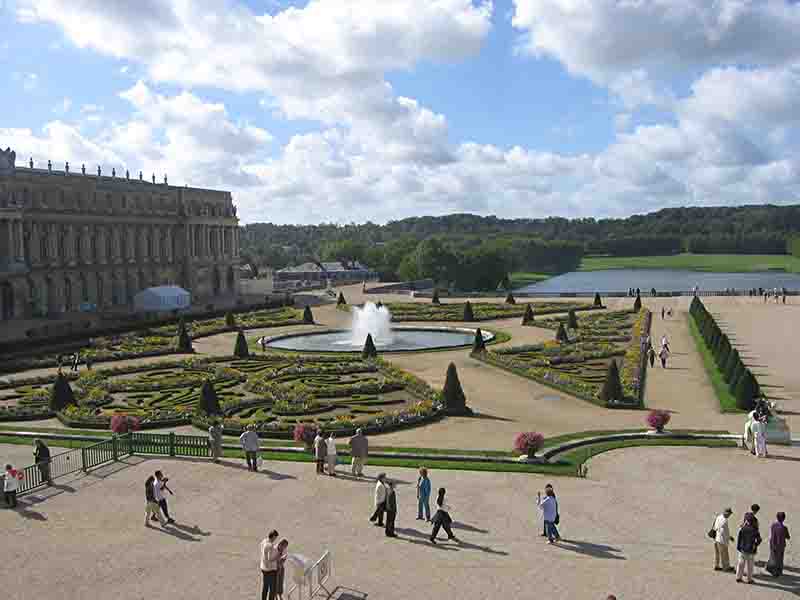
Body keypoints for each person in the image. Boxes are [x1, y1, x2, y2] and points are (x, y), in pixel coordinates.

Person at [736, 512, 762, 584]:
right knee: (750, 566)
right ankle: (749, 579)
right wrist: (755, 545)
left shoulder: (742, 528)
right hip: (751, 550)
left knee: (740, 564)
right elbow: (759, 540)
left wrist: (738, 547)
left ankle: (738, 577)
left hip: (742, 549)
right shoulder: (755, 530)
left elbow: (739, 539)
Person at [766, 512, 790, 577]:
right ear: (784, 519)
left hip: (773, 543)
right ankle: (777, 572)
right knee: (779, 559)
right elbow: (788, 537)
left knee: (772, 556)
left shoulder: (773, 525)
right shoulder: (784, 528)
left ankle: (770, 568)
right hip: (780, 545)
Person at [260, 530, 280, 600]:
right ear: (273, 536)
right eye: (275, 537)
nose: (275, 539)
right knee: (272, 588)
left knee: (265, 587)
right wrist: (277, 555)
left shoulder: (264, 541)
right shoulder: (270, 545)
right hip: (270, 570)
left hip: (263, 567)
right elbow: (270, 559)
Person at [712, 508, 735, 572]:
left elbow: (715, 527)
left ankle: (716, 566)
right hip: (722, 540)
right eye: (729, 513)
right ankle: (726, 567)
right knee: (724, 554)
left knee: (717, 554)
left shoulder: (718, 517)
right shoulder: (724, 521)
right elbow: (724, 532)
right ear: (725, 512)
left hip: (716, 538)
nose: (729, 515)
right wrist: (729, 537)